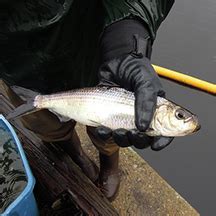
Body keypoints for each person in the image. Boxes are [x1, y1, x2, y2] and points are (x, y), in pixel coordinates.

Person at [0, 0, 175, 201]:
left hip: (97, 51)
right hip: (19, 65)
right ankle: (74, 154)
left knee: (108, 130)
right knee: (46, 124)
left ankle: (109, 162)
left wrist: (124, 38)